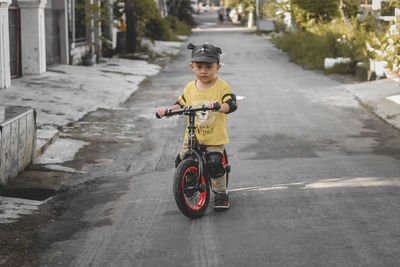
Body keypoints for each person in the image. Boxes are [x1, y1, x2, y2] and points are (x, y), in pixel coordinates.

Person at [156, 43, 238, 210]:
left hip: (213, 136)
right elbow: (181, 103)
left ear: (218, 67)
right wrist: (168, 110)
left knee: (214, 163)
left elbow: (231, 103)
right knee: (182, 160)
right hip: (192, 136)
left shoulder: (221, 86)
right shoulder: (190, 87)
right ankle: (189, 180)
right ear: (192, 67)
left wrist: (220, 106)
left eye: (209, 67)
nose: (204, 71)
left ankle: (220, 193)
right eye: (199, 66)